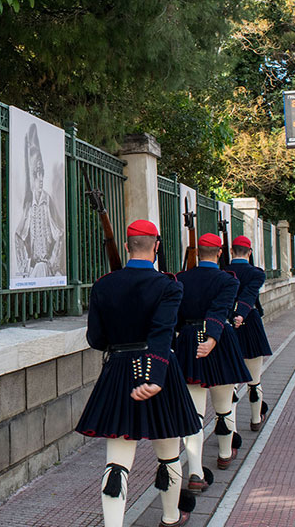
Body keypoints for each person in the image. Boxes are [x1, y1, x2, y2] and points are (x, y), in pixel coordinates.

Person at [76, 220, 199, 527]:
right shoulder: (170, 286)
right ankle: (171, 518)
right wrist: (155, 377)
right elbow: (161, 332)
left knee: (117, 462)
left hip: (118, 371)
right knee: (169, 453)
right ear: (156, 247)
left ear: (128, 246)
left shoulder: (104, 284)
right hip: (161, 370)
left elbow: (96, 339)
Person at [174, 233, 251, 488]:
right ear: (219, 253)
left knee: (194, 412)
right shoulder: (227, 280)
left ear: (197, 252)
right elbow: (219, 310)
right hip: (220, 341)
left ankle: (195, 472)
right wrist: (211, 338)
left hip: (188, 342)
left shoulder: (180, 279)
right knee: (224, 405)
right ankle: (225, 453)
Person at [229, 236, 272, 431]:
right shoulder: (256, 273)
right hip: (251, 322)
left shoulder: (224, 272)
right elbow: (249, 294)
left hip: (227, 325)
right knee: (254, 380)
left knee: (230, 384)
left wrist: (235, 315)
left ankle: (231, 430)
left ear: (231, 251)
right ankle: (255, 420)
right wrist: (242, 313)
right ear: (250, 253)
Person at [12, 123, 64, 278]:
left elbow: (59, 233)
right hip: (35, 268)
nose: (40, 179)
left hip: (48, 267)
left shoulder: (47, 201)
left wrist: (53, 262)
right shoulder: (29, 204)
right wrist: (26, 266)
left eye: (42, 173)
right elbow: (18, 236)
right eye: (36, 174)